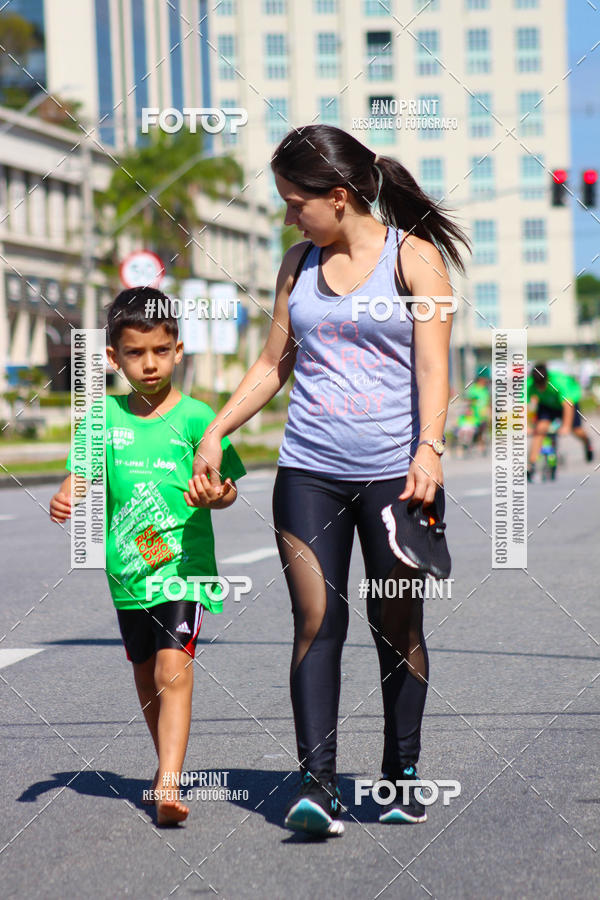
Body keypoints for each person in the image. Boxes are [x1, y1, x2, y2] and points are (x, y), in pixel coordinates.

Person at [190, 124, 470, 836]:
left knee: (395, 622)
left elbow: (436, 367)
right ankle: (318, 786)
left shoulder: (416, 261)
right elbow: (270, 365)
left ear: (338, 196)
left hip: (397, 478)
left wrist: (430, 450)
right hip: (308, 472)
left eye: (294, 202)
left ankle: (402, 774)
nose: (288, 215)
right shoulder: (298, 263)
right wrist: (216, 430)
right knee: (317, 621)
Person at [49, 288, 246, 826]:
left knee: (171, 666)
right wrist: (67, 492)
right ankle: (165, 764)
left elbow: (227, 487)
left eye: (160, 350)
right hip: (128, 573)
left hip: (184, 570)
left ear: (178, 350)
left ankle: (169, 782)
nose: (150, 363)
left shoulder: (197, 417)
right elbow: (83, 473)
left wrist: (217, 494)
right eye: (136, 353)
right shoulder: (100, 415)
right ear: (113, 358)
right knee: (145, 675)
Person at [527, 362, 593, 481]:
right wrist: (526, 426)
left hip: (568, 403)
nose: (541, 389)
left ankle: (587, 443)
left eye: (543, 386)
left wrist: (566, 426)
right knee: (540, 429)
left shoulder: (559, 382)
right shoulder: (529, 384)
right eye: (538, 386)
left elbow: (567, 405)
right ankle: (531, 465)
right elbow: (524, 406)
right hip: (547, 405)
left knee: (576, 430)